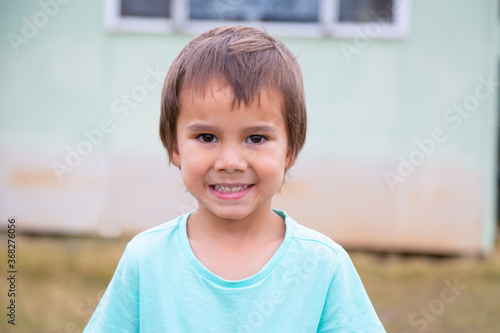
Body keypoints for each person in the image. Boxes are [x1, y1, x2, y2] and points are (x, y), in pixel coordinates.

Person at [84, 25, 386, 332]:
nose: (230, 162)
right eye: (206, 137)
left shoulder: (323, 266)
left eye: (256, 138)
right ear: (174, 147)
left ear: (290, 151)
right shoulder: (145, 261)